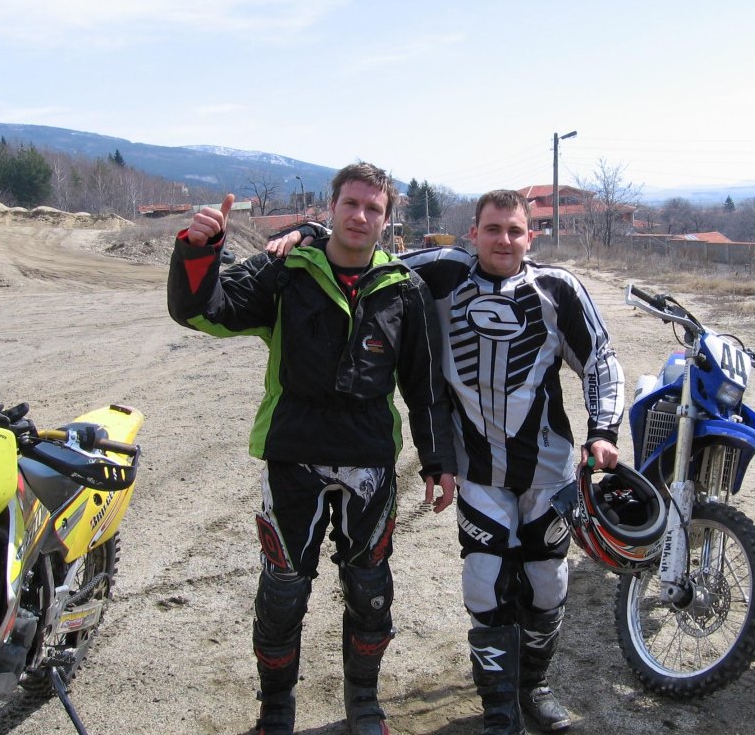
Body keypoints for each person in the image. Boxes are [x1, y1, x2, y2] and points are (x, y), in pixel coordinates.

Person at [272, 189, 625, 734]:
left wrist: (603, 430)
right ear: (473, 233)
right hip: (477, 469)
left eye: (514, 230)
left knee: (548, 582)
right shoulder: (440, 271)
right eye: (492, 229)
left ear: (531, 237)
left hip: (548, 470)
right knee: (484, 581)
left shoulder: (558, 288)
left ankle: (534, 686)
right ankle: (499, 709)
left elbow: (599, 358)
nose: (503, 240)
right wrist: (317, 232)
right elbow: (368, 257)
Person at [168, 162, 458, 735]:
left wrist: (437, 461)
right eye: (351, 203)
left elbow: (425, 385)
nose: (360, 216)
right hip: (292, 454)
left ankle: (364, 703)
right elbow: (202, 310)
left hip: (369, 460)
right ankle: (276, 708)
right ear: (331, 208)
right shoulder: (286, 270)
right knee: (282, 591)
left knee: (370, 590)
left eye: (373, 208)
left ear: (386, 220)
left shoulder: (405, 289)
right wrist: (199, 251)